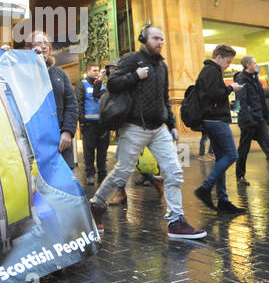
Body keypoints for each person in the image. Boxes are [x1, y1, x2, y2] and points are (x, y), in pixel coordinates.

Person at [87, 26, 205, 239]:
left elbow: (165, 98)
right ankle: (96, 205)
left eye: (162, 38)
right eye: (156, 38)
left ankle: (176, 221)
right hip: (134, 127)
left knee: (174, 171)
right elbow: (112, 84)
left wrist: (172, 125)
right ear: (144, 39)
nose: (160, 42)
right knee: (122, 171)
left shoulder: (162, 66)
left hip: (159, 128)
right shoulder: (132, 59)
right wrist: (135, 76)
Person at [192, 45, 245, 214]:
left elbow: (211, 95)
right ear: (219, 57)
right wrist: (231, 88)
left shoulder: (210, 71)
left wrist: (225, 102)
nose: (228, 65)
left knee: (221, 158)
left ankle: (223, 200)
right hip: (215, 120)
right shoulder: (212, 70)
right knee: (231, 155)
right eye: (228, 62)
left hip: (213, 117)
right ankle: (205, 188)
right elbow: (216, 93)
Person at [234, 56, 269, 188]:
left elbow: (261, 101)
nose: (256, 64)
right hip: (249, 121)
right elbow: (241, 101)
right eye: (254, 62)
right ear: (247, 65)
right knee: (244, 149)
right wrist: (247, 118)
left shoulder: (256, 79)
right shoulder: (242, 79)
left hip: (260, 120)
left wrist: (267, 119)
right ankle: (240, 175)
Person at [31, 30, 77, 169]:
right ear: (30, 48)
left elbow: (72, 104)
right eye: (38, 43)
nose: (43, 46)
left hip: (60, 143)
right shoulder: (23, 71)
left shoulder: (60, 74)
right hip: (35, 141)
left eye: (46, 43)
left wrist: (68, 131)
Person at [75, 62, 110, 186]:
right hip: (89, 124)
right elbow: (79, 103)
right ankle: (90, 174)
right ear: (88, 71)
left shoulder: (102, 85)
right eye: (94, 70)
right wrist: (82, 122)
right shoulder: (82, 85)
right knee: (89, 151)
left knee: (102, 151)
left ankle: (102, 174)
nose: (96, 73)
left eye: (98, 70)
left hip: (102, 124)